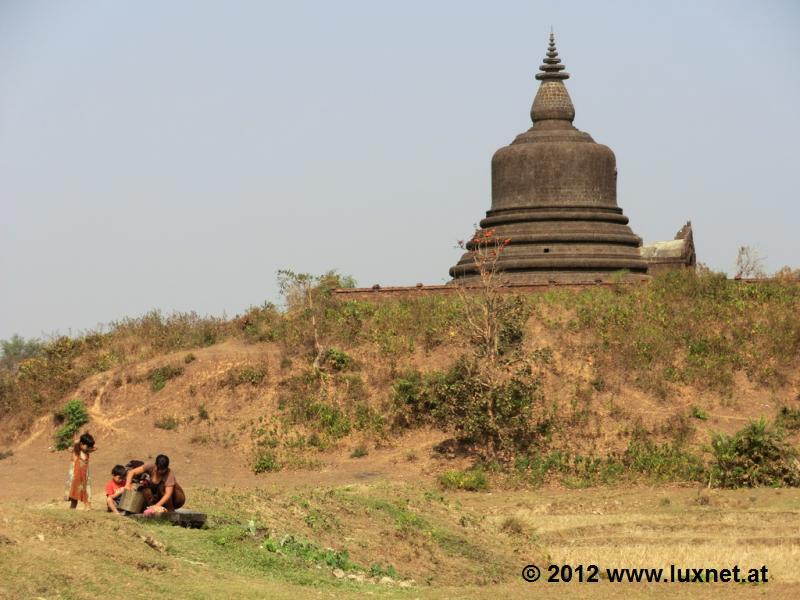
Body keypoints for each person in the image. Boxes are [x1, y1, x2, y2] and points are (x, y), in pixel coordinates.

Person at [65, 432, 95, 509]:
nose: (89, 448)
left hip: (84, 477)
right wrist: (81, 440)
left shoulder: (87, 451)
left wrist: (87, 444)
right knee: (74, 497)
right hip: (76, 477)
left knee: (87, 494)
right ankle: (72, 510)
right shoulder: (77, 451)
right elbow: (75, 443)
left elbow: (96, 447)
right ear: (81, 444)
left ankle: (88, 508)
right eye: (87, 446)